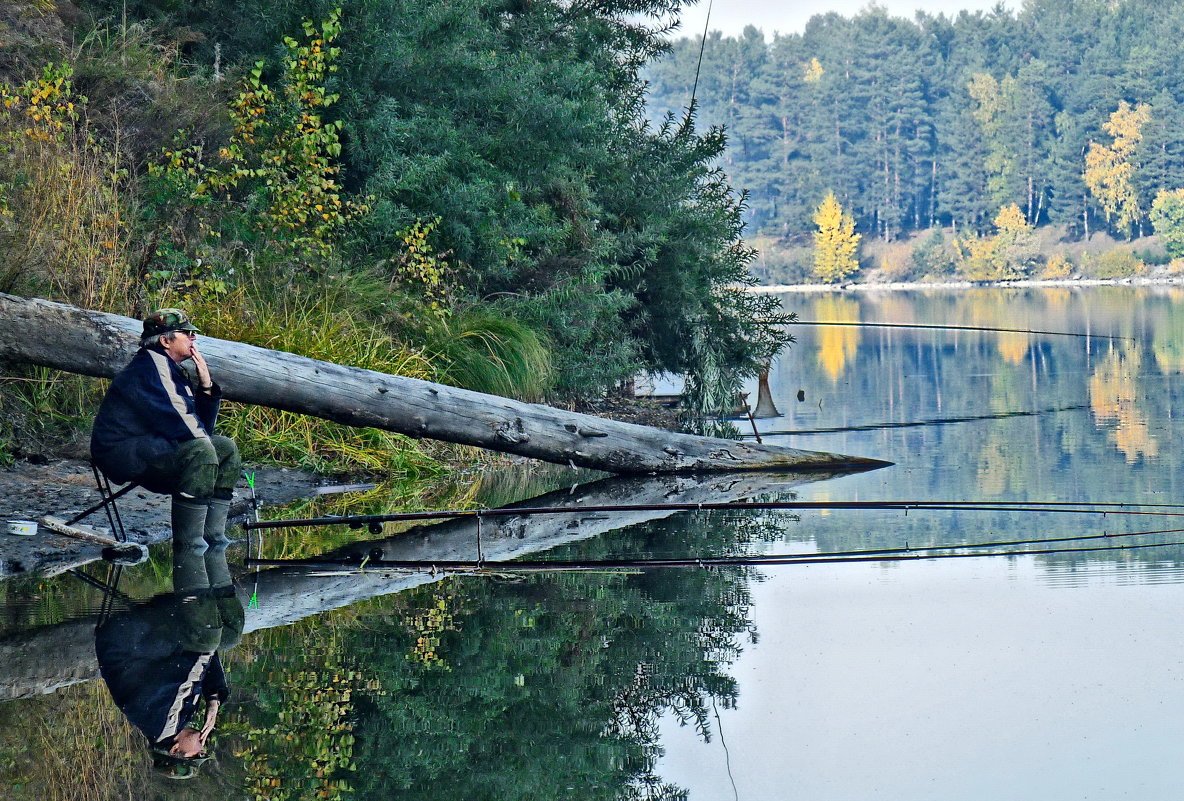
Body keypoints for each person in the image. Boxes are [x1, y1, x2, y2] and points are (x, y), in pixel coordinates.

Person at [91, 308, 241, 563]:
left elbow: (198, 428)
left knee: (224, 447)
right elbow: (187, 429)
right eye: (187, 333)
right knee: (204, 450)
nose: (194, 338)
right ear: (165, 340)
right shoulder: (151, 369)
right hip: (123, 454)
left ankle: (214, 539)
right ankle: (190, 547)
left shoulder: (170, 369)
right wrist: (205, 448)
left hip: (153, 447)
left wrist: (206, 386)